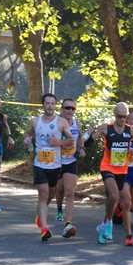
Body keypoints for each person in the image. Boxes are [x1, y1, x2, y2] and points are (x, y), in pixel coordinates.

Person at [86, 102, 133, 246]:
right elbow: (89, 142)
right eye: (119, 116)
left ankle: (105, 222)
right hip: (107, 167)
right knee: (113, 196)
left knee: (119, 201)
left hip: (122, 170)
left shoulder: (131, 131)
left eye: (125, 117)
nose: (122, 120)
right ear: (115, 115)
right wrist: (87, 136)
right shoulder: (106, 128)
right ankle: (108, 225)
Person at [24, 93, 74, 241]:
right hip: (39, 164)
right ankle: (44, 229)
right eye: (47, 103)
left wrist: (57, 142)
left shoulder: (62, 122)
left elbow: (71, 140)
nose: (50, 106)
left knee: (51, 193)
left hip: (55, 165)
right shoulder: (35, 121)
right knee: (44, 194)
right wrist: (27, 140)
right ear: (43, 105)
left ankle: (41, 215)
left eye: (53, 103)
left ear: (55, 106)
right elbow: (28, 133)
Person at [53, 98, 86, 238]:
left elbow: (79, 138)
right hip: (56, 161)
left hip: (70, 161)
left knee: (70, 192)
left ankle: (68, 224)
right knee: (59, 189)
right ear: (61, 109)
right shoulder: (55, 123)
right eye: (67, 108)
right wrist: (62, 143)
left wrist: (81, 148)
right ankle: (59, 209)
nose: (70, 111)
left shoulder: (77, 124)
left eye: (73, 108)